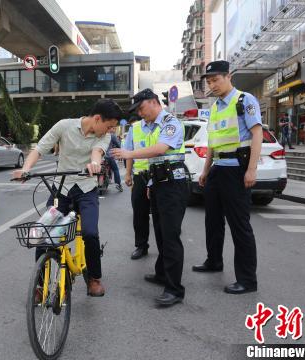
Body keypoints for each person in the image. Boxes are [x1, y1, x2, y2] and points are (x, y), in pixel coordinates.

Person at [13, 98, 122, 297]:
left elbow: (97, 153)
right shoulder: (64, 126)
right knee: (44, 234)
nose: (110, 131)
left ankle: (94, 278)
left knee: (90, 233)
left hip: (86, 190)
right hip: (61, 189)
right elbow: (40, 148)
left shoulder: (103, 137)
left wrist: (94, 165)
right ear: (97, 119)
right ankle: (40, 284)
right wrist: (25, 170)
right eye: (109, 126)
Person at [192, 60, 262, 295]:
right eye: (209, 81)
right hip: (216, 170)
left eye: (216, 80)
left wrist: (251, 169)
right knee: (212, 220)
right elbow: (213, 142)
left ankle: (247, 280)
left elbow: (257, 134)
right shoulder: (214, 107)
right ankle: (214, 261)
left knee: (239, 225)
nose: (212, 84)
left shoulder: (244, 100)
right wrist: (205, 170)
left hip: (236, 169)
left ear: (228, 76)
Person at [112, 89, 186, 307]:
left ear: (154, 102)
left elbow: (161, 150)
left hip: (173, 183)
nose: (140, 114)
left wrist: (129, 154)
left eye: (142, 108)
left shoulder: (170, 122)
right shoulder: (151, 126)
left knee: (171, 236)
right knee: (162, 234)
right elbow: (157, 161)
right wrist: (151, 185)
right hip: (159, 183)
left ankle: (175, 290)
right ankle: (162, 274)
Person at [122, 115, 160, 260]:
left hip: (158, 175)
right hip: (140, 176)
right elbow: (129, 153)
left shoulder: (161, 124)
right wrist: (127, 174)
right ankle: (141, 245)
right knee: (139, 212)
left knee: (159, 214)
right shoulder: (135, 128)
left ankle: (164, 249)